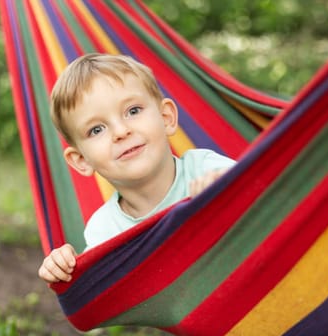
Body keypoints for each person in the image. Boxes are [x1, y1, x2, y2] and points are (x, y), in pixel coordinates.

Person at [38, 53, 235, 283]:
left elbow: (262, 199)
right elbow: (105, 297)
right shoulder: (105, 230)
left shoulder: (206, 169)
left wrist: (227, 194)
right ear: (81, 160)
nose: (121, 132)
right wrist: (64, 270)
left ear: (166, 117)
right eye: (97, 130)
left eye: (133, 111)